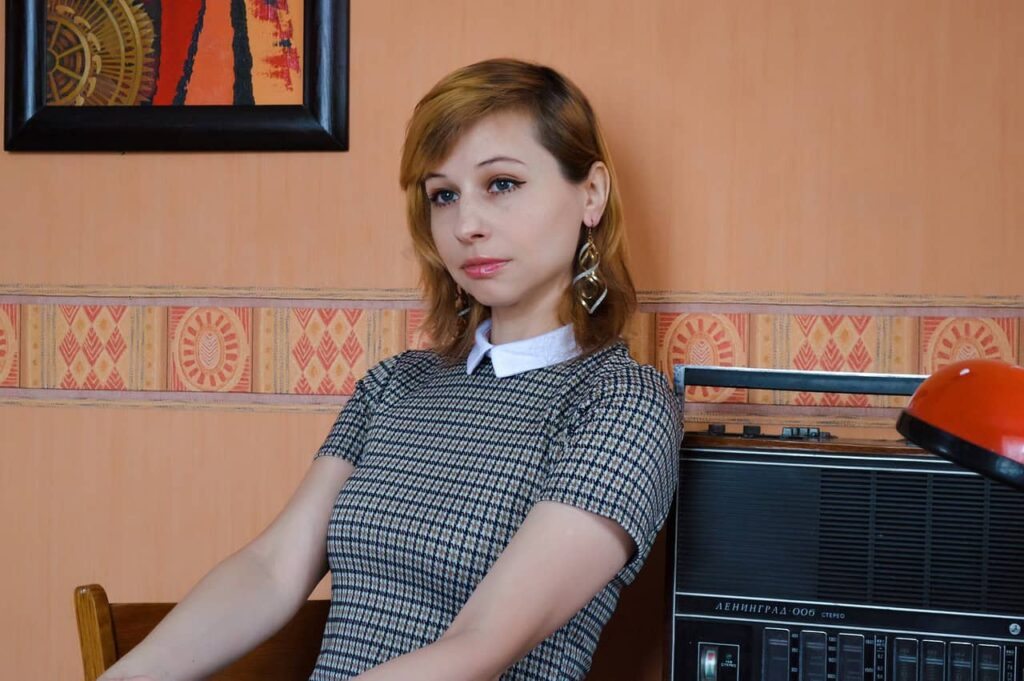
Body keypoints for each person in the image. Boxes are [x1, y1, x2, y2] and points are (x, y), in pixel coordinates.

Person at [101, 58, 682, 681]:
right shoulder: (396, 383)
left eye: (502, 184)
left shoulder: (623, 400)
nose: (467, 225)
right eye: (444, 195)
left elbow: (478, 645)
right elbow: (272, 569)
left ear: (590, 194)